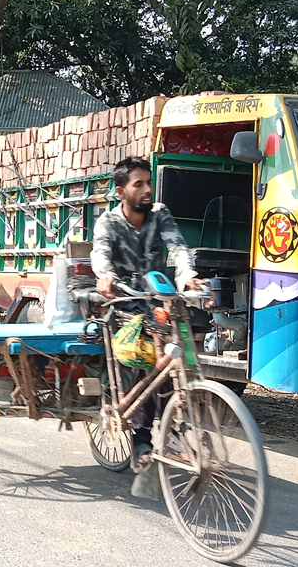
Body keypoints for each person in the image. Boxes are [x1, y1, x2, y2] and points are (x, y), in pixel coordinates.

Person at [91, 156, 205, 499]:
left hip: (159, 303)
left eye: (147, 183)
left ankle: (173, 428)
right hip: (124, 305)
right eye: (137, 183)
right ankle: (142, 441)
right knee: (144, 362)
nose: (145, 189)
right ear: (121, 190)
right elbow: (100, 254)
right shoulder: (108, 222)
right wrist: (105, 276)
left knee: (177, 358)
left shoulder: (160, 214)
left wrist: (188, 275)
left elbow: (178, 248)